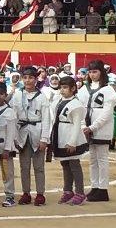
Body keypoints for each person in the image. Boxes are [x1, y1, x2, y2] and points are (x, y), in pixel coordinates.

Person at [42, 75, 86, 205]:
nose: (62, 90)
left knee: (74, 165)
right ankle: (68, 190)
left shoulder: (76, 104)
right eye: (61, 87)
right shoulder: (59, 100)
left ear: (73, 88)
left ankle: (80, 192)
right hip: (60, 135)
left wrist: (73, 141)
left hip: (71, 135)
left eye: (65, 87)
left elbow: (77, 124)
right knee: (65, 164)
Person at [80, 60, 116, 201]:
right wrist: (83, 126)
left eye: (95, 71)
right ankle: (94, 186)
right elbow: (80, 108)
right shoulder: (85, 89)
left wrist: (93, 127)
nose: (92, 74)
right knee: (92, 159)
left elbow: (107, 113)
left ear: (101, 72)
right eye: (90, 72)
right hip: (87, 128)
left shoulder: (108, 90)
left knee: (102, 159)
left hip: (101, 129)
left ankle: (103, 189)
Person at [11, 74, 46, 205]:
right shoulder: (18, 95)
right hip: (22, 132)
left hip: (37, 131)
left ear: (35, 80)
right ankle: (26, 193)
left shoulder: (42, 97)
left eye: (30, 78)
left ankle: (40, 194)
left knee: (39, 167)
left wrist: (44, 138)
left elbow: (47, 118)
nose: (27, 80)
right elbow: (13, 116)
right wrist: (14, 136)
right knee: (24, 167)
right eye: (25, 78)